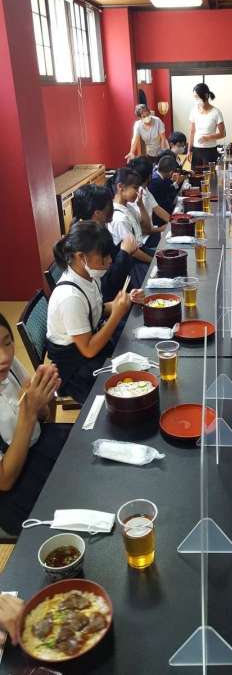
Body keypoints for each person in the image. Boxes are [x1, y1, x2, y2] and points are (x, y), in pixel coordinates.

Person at [47, 221, 139, 404]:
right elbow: (88, 350)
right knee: (127, 390)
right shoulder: (70, 297)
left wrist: (126, 299)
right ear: (81, 257)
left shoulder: (89, 276)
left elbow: (98, 309)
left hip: (91, 348)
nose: (110, 260)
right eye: (104, 256)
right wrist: (117, 314)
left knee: (136, 339)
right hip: (75, 369)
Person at [0, 314, 68, 535]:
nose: (4, 357)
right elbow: (5, 480)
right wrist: (27, 413)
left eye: (7, 343)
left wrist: (44, 394)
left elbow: (44, 417)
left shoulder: (9, 367)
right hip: (13, 492)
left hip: (40, 445)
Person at [72, 184, 137, 301]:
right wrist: (125, 252)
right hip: (108, 299)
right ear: (97, 213)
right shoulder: (86, 239)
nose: (112, 208)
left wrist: (124, 248)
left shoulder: (98, 229)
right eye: (109, 205)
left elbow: (112, 256)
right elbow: (108, 284)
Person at [107, 168, 153, 286]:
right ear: (120, 187)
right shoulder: (119, 218)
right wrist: (153, 261)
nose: (138, 192)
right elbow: (133, 252)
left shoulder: (129, 207)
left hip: (141, 251)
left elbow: (147, 229)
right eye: (135, 188)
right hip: (132, 263)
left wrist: (141, 205)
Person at [128, 156, 170, 247]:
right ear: (149, 176)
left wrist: (172, 222)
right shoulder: (136, 195)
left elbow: (157, 208)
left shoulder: (145, 189)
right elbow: (142, 229)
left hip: (151, 233)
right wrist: (161, 229)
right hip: (144, 240)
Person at [188, 83, 225, 167]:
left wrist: (206, 138)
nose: (196, 100)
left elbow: (223, 134)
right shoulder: (194, 111)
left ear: (206, 96)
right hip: (196, 150)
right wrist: (189, 150)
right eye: (195, 97)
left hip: (210, 150)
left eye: (197, 97)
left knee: (210, 174)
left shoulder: (216, 112)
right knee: (195, 174)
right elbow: (192, 132)